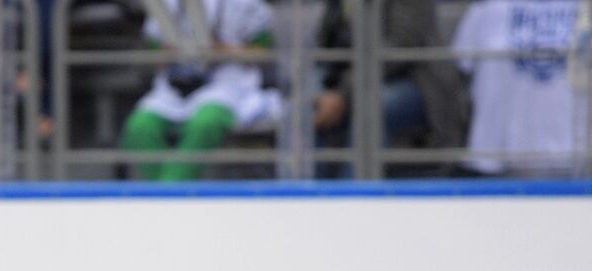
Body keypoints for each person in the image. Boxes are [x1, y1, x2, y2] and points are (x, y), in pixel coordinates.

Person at [119, 0, 281, 182]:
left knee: (205, 122)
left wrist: (220, 50)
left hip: (227, 84)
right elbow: (155, 54)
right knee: (139, 126)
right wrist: (176, 51)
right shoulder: (167, 3)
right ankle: (169, 195)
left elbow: (262, 53)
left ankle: (167, 195)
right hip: (175, 88)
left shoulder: (246, 3)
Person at [312, 0, 467, 178]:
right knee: (302, 107)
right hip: (348, 77)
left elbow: (402, 46)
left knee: (372, 105)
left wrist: (343, 93)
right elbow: (326, 42)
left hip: (417, 79)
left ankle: (356, 195)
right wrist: (330, 90)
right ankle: (307, 196)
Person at [451, 0, 582, 176]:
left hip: (578, 162)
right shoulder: (487, 9)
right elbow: (459, 65)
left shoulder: (584, 9)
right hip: (499, 162)